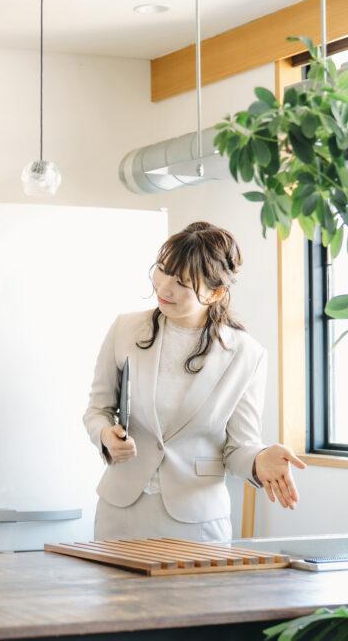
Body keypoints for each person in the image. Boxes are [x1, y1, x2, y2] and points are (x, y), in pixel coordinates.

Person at [83, 221, 305, 542]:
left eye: (182, 283)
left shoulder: (246, 354)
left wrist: (258, 460)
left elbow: (238, 447)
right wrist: (106, 435)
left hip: (197, 521)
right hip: (121, 513)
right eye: (162, 270)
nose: (164, 289)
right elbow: (97, 410)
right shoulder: (125, 330)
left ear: (215, 292)